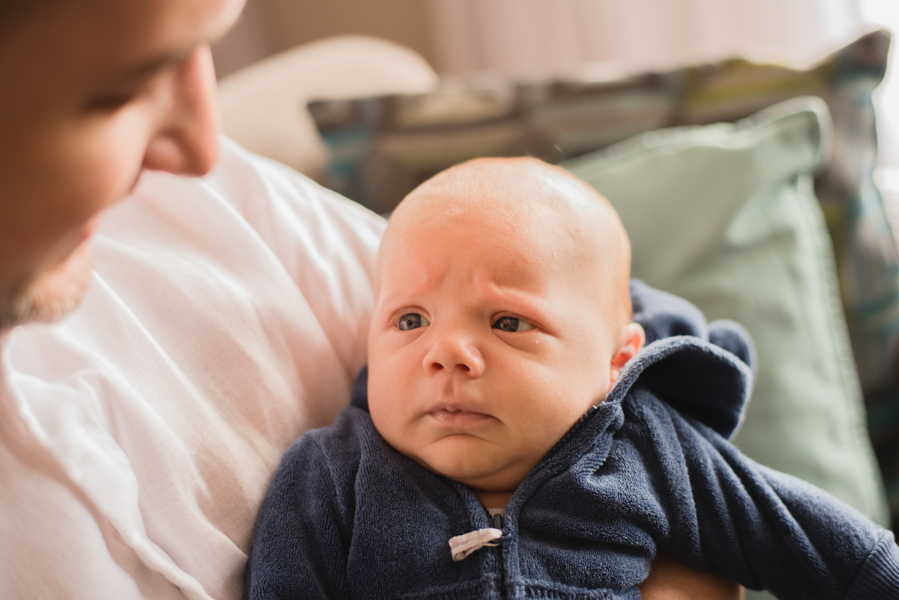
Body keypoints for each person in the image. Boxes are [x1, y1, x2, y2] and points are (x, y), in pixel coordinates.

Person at [0, 0, 741, 598]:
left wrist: (680, 555)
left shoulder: (218, 204)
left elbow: (575, 308)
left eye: (205, 49)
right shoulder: (329, 481)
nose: (201, 147)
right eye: (117, 93)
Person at [246, 157, 899, 599]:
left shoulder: (651, 451)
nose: (446, 355)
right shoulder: (333, 476)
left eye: (506, 322)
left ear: (617, 358)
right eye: (410, 318)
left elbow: (847, 559)